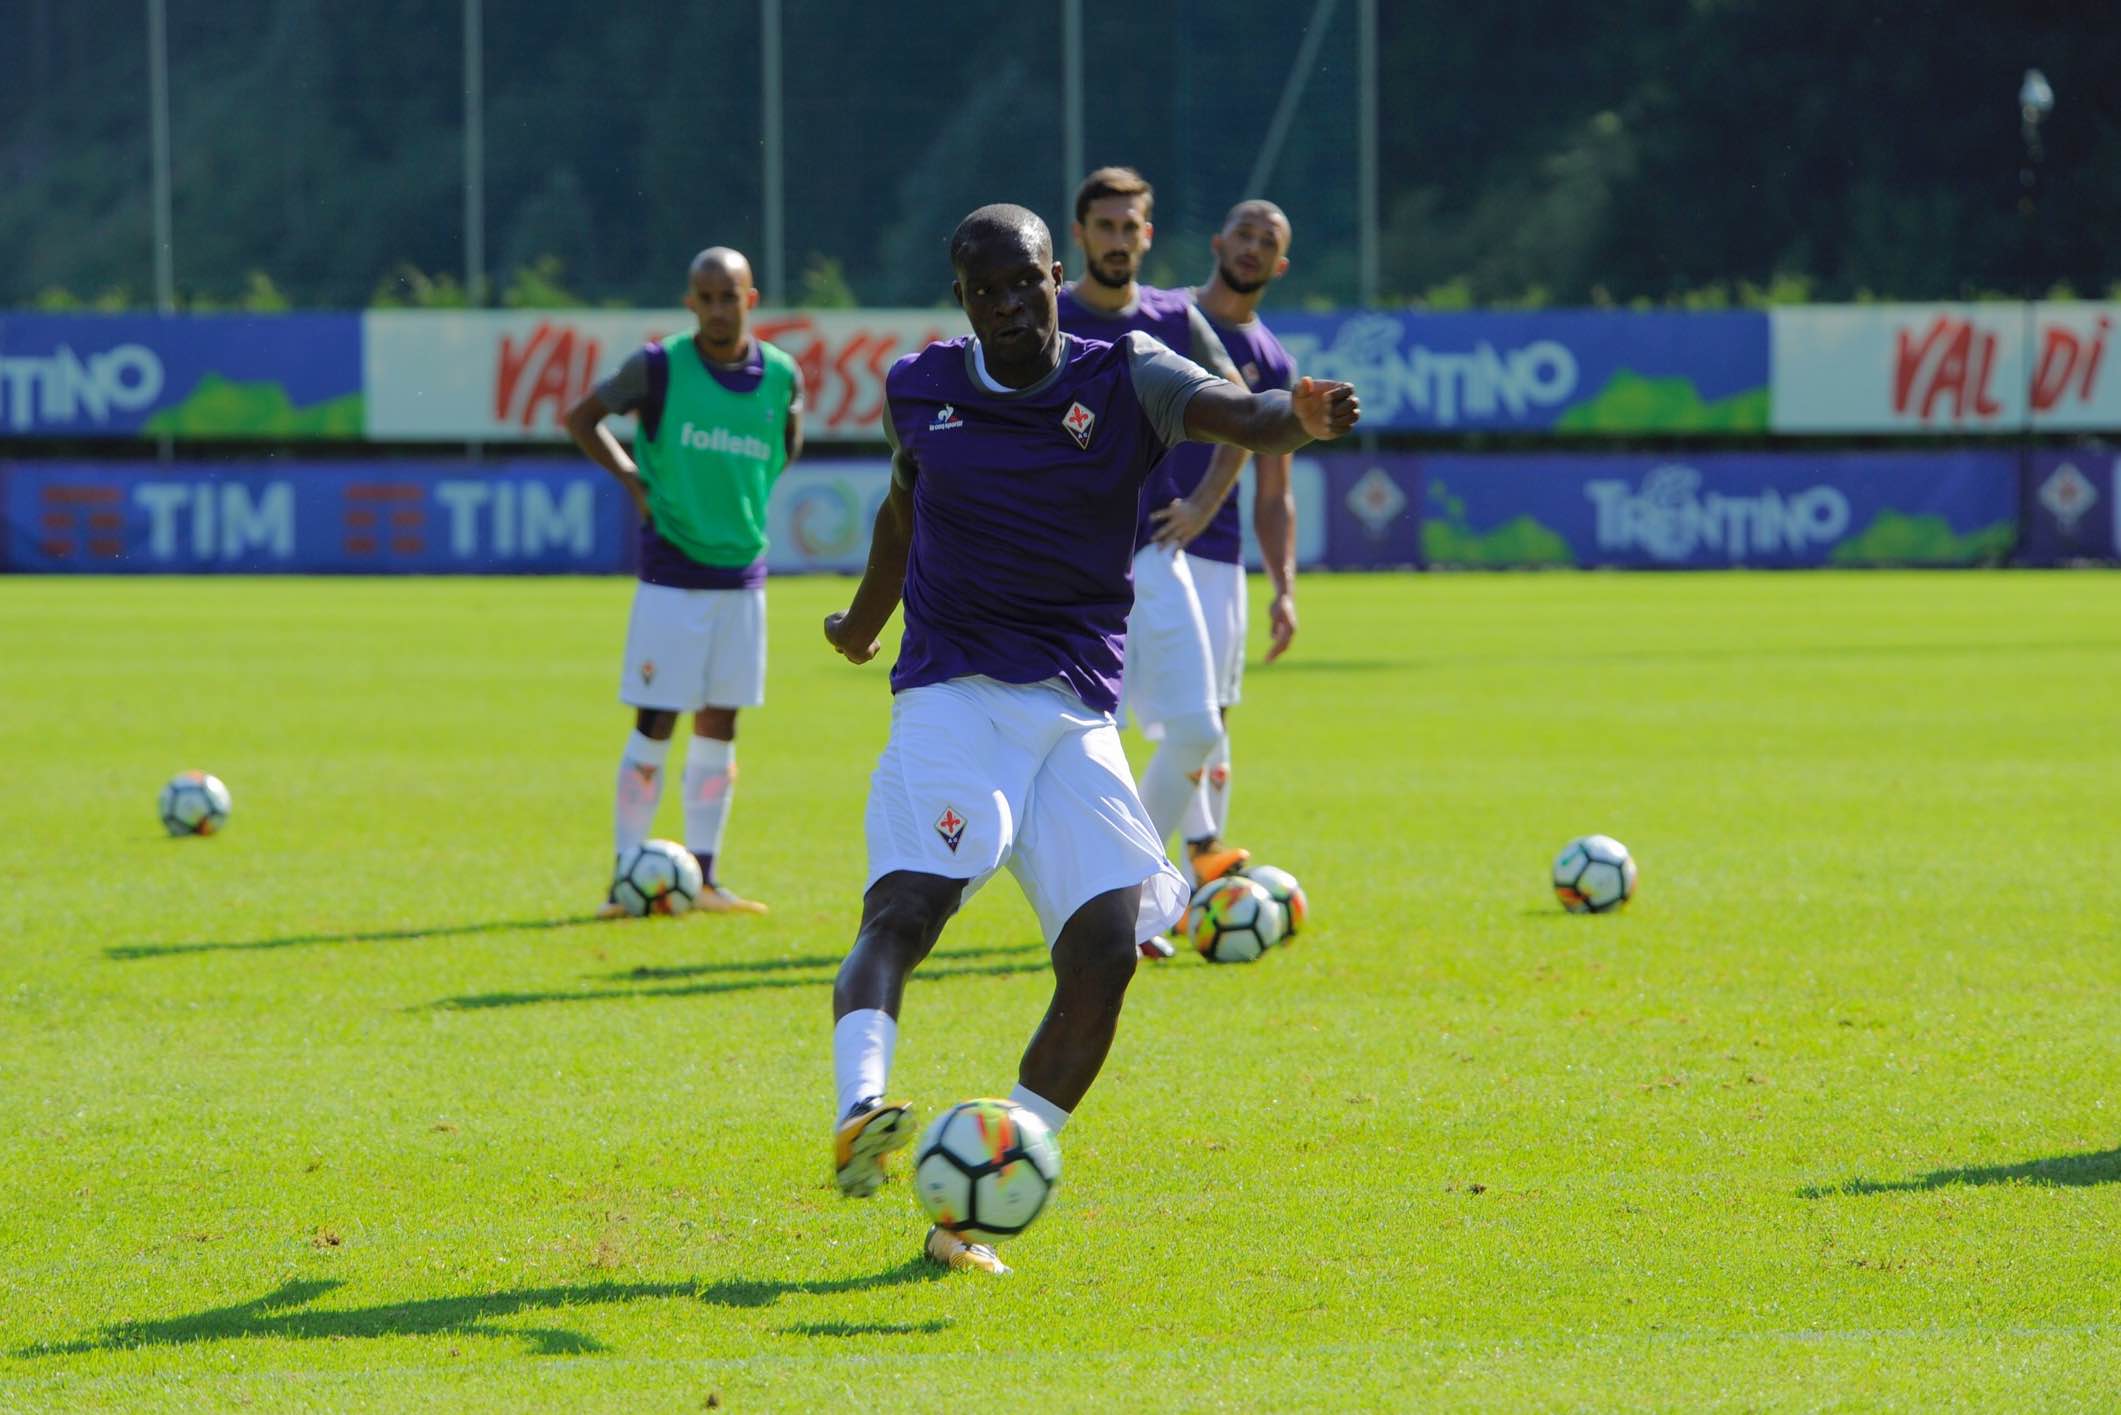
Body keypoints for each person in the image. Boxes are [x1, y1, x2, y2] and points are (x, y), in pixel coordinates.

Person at [821, 203, 1358, 1274]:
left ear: (1055, 273)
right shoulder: (922, 386)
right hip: (953, 691)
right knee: (911, 902)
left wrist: (1295, 417)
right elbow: (901, 514)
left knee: (1108, 949)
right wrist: (864, 623)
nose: (1010, 305)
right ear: (963, 298)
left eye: (1026, 282)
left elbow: (1241, 419)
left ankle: (973, 1204)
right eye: (987, 291)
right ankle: (862, 1108)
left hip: (1073, 709)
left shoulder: (1126, 373)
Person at [562, 247, 803, 916]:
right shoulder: (659, 366)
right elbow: (581, 418)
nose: (719, 309)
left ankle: (703, 876)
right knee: (655, 721)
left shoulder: (782, 374)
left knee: (720, 725)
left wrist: (739, 500)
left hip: (743, 577)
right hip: (672, 576)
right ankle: (622, 876)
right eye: (706, 297)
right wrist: (634, 480)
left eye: (731, 296)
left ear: (751, 299)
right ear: (690, 302)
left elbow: (787, 442)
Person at [1055, 168, 1254, 955]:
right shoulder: (1049, 315)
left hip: (1152, 557)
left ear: (1147, 232)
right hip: (1068, 577)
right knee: (1083, 744)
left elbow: (1242, 406)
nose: (1116, 239)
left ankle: (1132, 891)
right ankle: (1113, 911)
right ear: (1079, 235)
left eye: (1129, 225)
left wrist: (1204, 502)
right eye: (1102, 226)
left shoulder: (1177, 317)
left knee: (1199, 728)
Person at [1153, 199, 1305, 867]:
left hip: (1215, 559)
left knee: (1211, 718)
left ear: (1281, 262)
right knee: (1128, 717)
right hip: (1134, 545)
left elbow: (1274, 495)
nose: (1252, 246)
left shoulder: (1272, 362)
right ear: (1216, 241)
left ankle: (1195, 862)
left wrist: (1283, 588)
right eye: (1243, 232)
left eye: (1266, 239)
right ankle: (1162, 863)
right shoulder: (1161, 320)